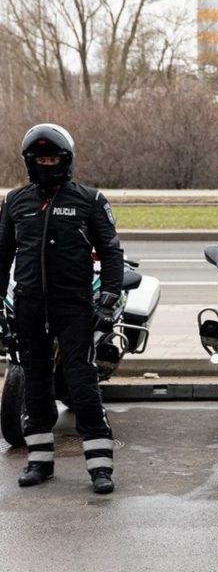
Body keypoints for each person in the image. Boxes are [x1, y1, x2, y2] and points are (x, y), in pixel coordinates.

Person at [0, 124, 123, 494]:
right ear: (29, 162)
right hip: (29, 305)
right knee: (35, 383)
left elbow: (113, 253)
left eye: (52, 157)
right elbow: (1, 257)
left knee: (82, 383)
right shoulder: (14, 202)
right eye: (40, 159)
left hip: (74, 307)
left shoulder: (90, 199)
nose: (46, 164)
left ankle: (100, 467)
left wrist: (109, 299)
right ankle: (39, 461)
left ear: (65, 160)